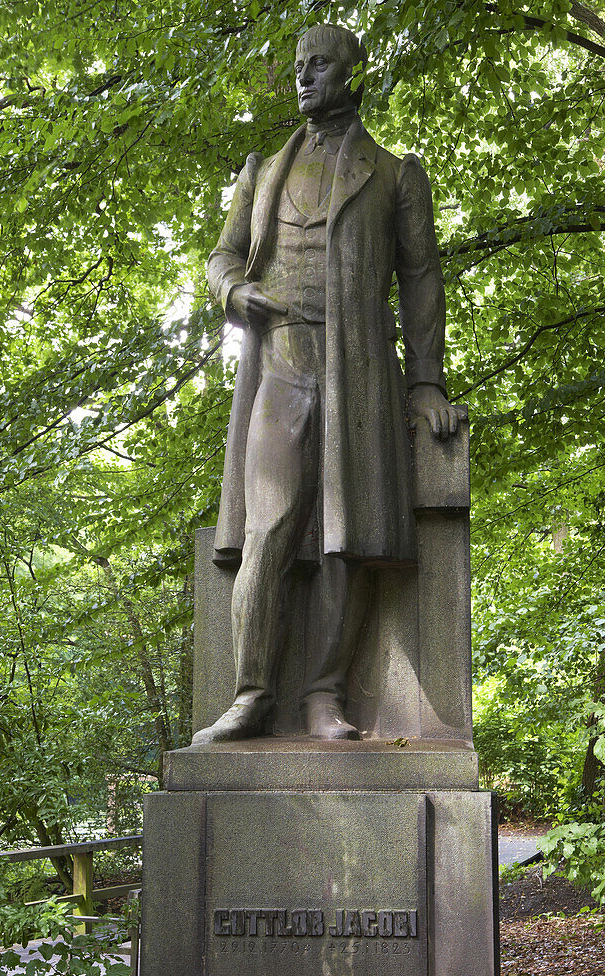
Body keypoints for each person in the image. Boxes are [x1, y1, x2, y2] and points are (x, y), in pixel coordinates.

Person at [193, 23, 463, 744]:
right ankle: (251, 694)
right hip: (280, 365)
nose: (303, 76)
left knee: (347, 536)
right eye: (297, 66)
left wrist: (426, 383)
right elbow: (221, 256)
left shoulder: (395, 174)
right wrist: (231, 292)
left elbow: (421, 279)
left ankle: (323, 694)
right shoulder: (262, 169)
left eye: (318, 65)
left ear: (353, 75)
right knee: (268, 528)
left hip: (360, 370)